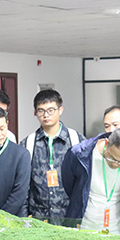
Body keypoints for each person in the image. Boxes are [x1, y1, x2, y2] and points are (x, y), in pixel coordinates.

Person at [62, 128, 120, 235]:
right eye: (112, 158)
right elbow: (69, 185)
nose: (115, 164)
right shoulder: (79, 153)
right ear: (106, 143)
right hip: (83, 226)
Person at [20, 89, 84, 224]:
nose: (46, 115)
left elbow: (85, 180)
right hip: (38, 218)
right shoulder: (28, 143)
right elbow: (23, 184)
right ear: (35, 112)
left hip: (70, 216)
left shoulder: (76, 140)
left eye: (51, 110)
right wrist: (24, 217)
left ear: (60, 110)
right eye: (41, 111)